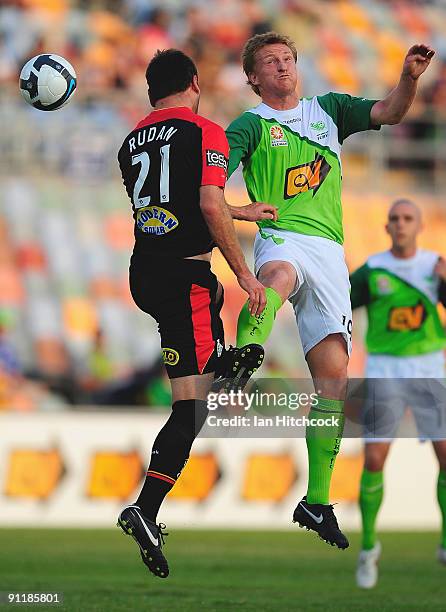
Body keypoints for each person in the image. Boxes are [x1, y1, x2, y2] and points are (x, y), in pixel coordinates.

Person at [224, 31, 435, 549]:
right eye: (270, 62)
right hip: (282, 235)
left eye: (288, 59)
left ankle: (316, 500)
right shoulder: (249, 126)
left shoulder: (330, 110)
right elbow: (208, 192)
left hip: (331, 253)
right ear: (253, 77)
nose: (282, 67)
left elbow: (391, 111)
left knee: (334, 384)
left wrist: (408, 79)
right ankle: (241, 356)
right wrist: (240, 210)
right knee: (277, 278)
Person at [116, 49, 275, 578]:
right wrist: (247, 275)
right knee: (194, 406)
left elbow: (175, 200)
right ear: (194, 83)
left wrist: (240, 210)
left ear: (150, 92)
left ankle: (147, 511)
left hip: (146, 271)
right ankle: (145, 509)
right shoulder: (205, 130)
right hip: (186, 277)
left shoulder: (130, 142)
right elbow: (205, 204)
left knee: (203, 390)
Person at [351, 199, 446, 588]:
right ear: (386, 226)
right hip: (385, 367)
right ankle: (369, 549)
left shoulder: (434, 265)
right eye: (394, 218)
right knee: (374, 457)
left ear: (420, 225)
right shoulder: (372, 269)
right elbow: (340, 303)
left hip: (429, 366)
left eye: (408, 218)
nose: (401, 224)